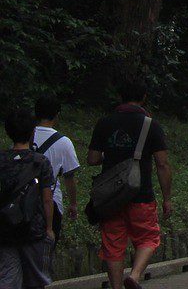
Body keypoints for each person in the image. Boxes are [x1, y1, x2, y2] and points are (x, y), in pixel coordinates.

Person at [88, 81, 171, 289]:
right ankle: (134, 276)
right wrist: (167, 198)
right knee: (148, 238)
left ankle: (116, 287)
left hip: (111, 198)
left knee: (113, 244)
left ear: (120, 97)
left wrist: (112, 155)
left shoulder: (105, 123)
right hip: (141, 194)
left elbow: (92, 159)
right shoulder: (150, 124)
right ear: (143, 97)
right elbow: (162, 164)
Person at [1, 109, 56, 289]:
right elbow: (47, 199)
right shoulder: (40, 162)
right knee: (37, 278)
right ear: (33, 132)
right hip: (33, 228)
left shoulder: (2, 160)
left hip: (5, 228)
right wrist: (49, 228)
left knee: (8, 277)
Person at [28, 99, 77, 243]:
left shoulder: (25, 135)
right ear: (57, 115)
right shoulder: (64, 142)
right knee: (46, 249)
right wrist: (73, 204)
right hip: (52, 202)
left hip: (24, 199)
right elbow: (69, 177)